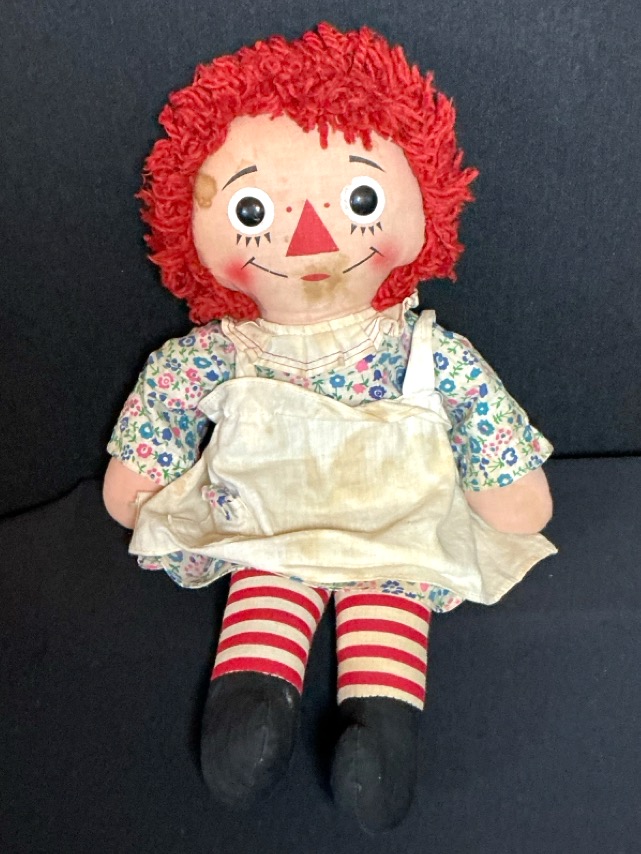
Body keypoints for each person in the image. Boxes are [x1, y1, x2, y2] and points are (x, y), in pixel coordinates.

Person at [103, 24, 555, 833]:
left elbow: (476, 411)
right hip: (265, 520)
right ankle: (250, 706)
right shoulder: (223, 351)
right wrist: (146, 468)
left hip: (393, 521)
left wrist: (503, 484)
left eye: (358, 201)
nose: (310, 239)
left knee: (387, 590)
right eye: (252, 211)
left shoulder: (422, 351)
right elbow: (167, 399)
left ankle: (381, 733)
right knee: (267, 580)